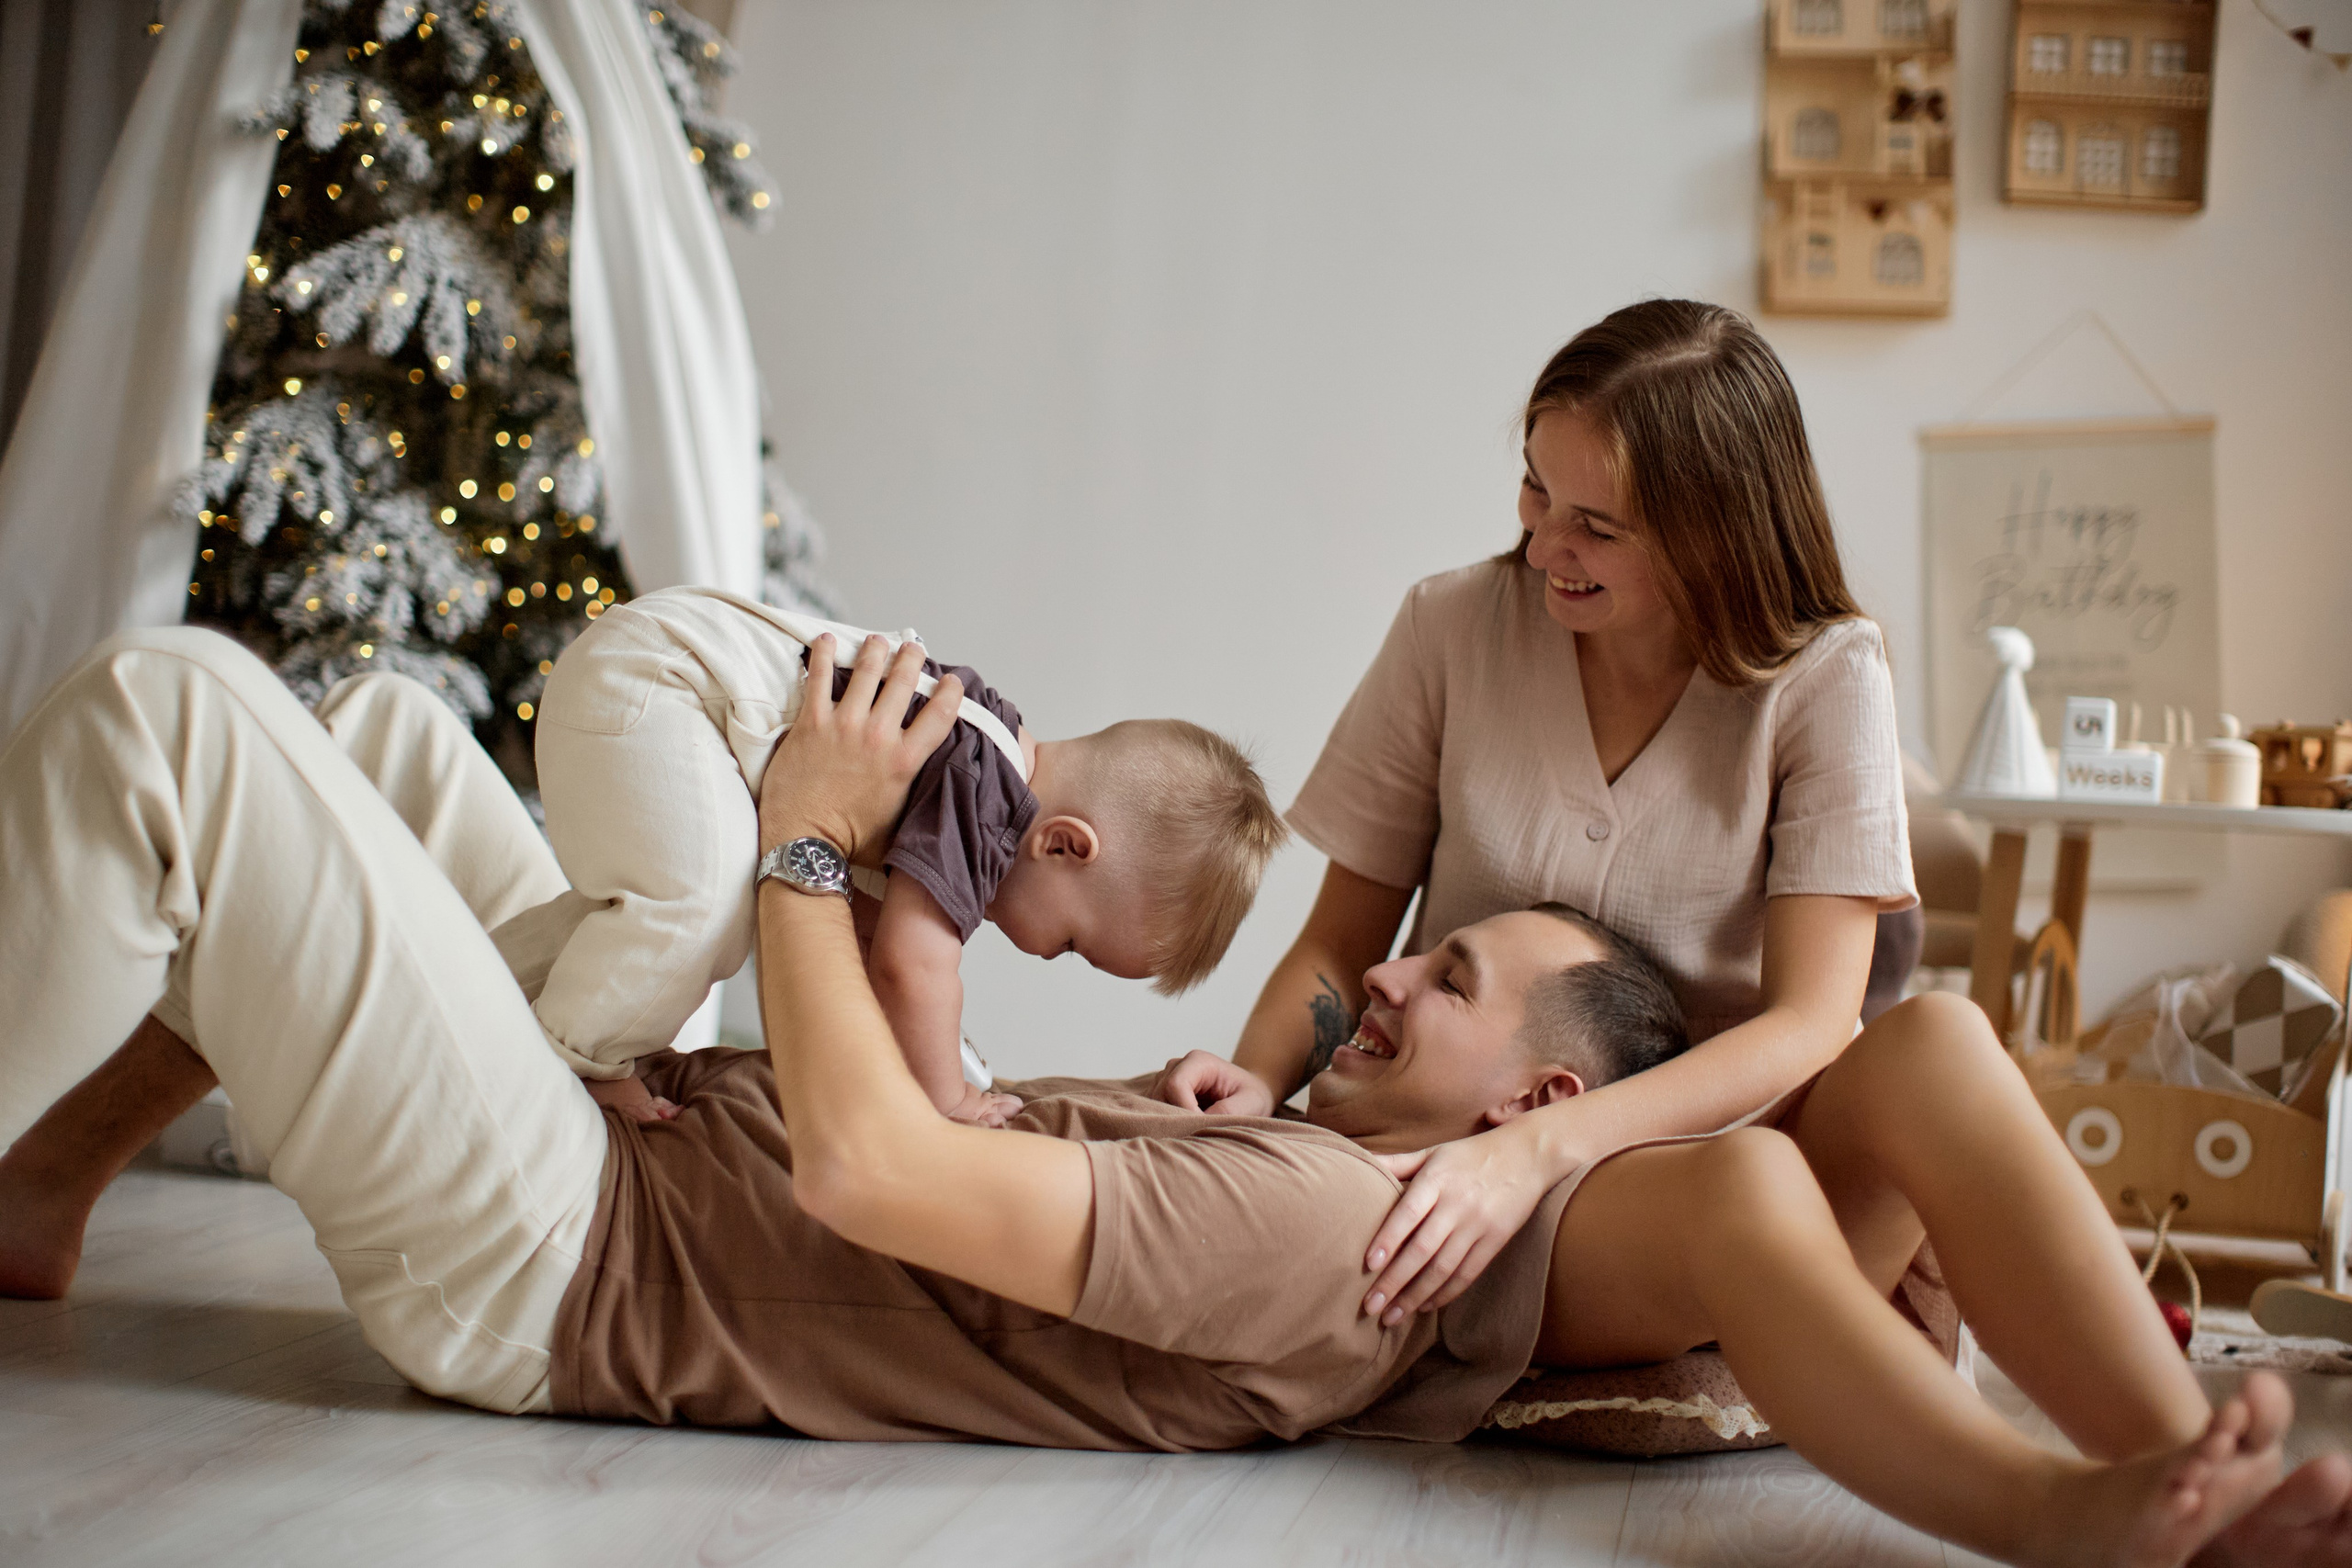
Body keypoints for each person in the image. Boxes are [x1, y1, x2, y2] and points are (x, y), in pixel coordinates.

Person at [6, 631, 2352, 1564]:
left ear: (1523, 1108)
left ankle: (2100, 1503)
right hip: (620, 1118)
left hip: (573, 1252)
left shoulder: (1328, 1229)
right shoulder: (1275, 1140)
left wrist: (812, 829)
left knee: (172, 709)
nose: (1375, 968)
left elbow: (865, 1158)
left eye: (1442, 977)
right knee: (393, 736)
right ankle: (49, 1176)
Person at [1159, 298, 1923, 1325]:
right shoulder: (1451, 629)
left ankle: (2183, 1461)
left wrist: (1542, 1146)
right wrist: (1258, 1080)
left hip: (1699, 1159)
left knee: (1946, 1048)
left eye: (1594, 528)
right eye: (1533, 489)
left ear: (1715, 537)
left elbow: (1814, 1023)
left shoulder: (1824, 675)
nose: (1540, 547)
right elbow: (1341, 947)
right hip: (1471, 1169)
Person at [514, 584, 1284, 1124]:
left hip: (643, 673)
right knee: (702, 908)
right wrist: (946, 1099)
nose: (1051, 955)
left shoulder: (981, 756)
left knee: (630, 914)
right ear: (1064, 844)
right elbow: (912, 967)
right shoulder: (987, 801)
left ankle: (505, 987)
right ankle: (582, 1065)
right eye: (1075, 944)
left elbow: (867, 941)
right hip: (659, 691)